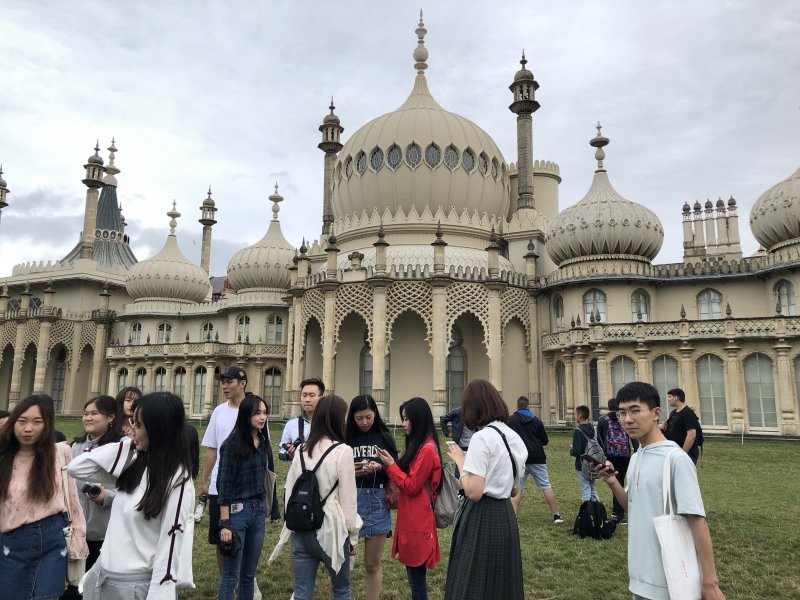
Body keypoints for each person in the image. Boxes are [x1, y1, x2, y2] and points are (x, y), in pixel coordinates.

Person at [597, 381, 725, 600]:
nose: (628, 419)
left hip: (671, 581)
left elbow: (697, 520)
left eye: (635, 410)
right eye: (622, 413)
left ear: (656, 413)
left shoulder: (675, 459)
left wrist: (710, 582)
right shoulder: (637, 457)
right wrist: (612, 482)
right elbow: (634, 507)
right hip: (640, 578)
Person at [68, 392, 195, 599]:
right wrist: (127, 444)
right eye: (131, 422)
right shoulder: (132, 464)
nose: (130, 429)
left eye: (137, 424)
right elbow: (76, 468)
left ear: (157, 429)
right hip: (101, 577)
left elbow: (170, 545)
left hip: (134, 587)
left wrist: (160, 594)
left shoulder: (177, 480)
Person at [268, 395, 361, 600]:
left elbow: (290, 491)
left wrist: (290, 520)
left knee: (301, 591)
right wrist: (353, 536)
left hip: (301, 526)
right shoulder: (343, 451)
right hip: (331, 529)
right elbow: (348, 500)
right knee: (341, 589)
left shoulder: (301, 450)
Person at [0, 394, 89, 600]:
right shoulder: (4, 456)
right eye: (22, 421)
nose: (28, 429)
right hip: (11, 542)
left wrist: (78, 541)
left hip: (52, 539)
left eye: (37, 422)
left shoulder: (60, 452)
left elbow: (72, 499)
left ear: (47, 425)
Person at [444, 379, 527, 600]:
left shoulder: (481, 438)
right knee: (501, 582)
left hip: (481, 514)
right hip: (505, 515)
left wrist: (460, 461)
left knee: (472, 581)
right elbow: (514, 489)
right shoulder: (513, 437)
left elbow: (474, 491)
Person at [376, 398, 441, 600]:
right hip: (412, 519)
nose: (403, 424)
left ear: (418, 420)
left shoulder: (427, 450)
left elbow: (412, 485)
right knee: (415, 581)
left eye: (406, 419)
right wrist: (386, 465)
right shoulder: (420, 445)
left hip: (418, 522)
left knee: (417, 582)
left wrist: (391, 466)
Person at [217, 395, 271, 600]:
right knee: (231, 576)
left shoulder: (263, 443)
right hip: (237, 512)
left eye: (264, 413)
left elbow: (266, 478)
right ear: (246, 415)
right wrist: (225, 524)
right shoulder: (231, 445)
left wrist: (272, 508)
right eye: (257, 413)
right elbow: (224, 485)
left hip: (258, 511)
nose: (262, 417)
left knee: (248, 575)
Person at [345, 394, 398, 600]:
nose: (365, 422)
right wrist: (355, 471)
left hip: (377, 498)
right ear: (352, 418)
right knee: (342, 562)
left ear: (375, 413)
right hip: (351, 498)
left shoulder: (384, 438)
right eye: (359, 418)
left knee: (372, 563)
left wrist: (381, 467)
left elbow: (395, 470)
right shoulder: (346, 438)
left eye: (368, 417)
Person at [199, 365, 250, 569]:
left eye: (229, 382)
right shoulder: (219, 412)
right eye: (223, 383)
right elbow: (213, 448)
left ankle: (246, 578)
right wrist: (204, 480)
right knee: (221, 538)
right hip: (219, 486)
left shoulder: (254, 410)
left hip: (245, 487)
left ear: (242, 383)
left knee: (245, 535)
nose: (225, 386)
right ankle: (225, 581)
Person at [71, 395, 124, 571]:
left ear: (110, 417)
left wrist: (105, 497)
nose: (88, 418)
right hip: (76, 532)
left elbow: (132, 489)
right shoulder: (75, 446)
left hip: (107, 531)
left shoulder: (121, 447)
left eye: (94, 413)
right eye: (85, 413)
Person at [507, 396, 563, 523]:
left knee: (517, 487)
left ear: (517, 406)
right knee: (546, 485)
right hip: (537, 457)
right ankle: (557, 515)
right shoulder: (537, 420)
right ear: (528, 406)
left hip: (519, 459)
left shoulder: (511, 420)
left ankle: (513, 517)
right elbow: (545, 440)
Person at [597, 397, 635, 523]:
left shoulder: (603, 420)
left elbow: (599, 439)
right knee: (621, 482)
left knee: (615, 482)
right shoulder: (623, 419)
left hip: (610, 456)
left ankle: (617, 512)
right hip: (625, 455)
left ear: (608, 407)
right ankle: (619, 512)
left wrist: (603, 456)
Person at [279, 376, 324, 463]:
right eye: (304, 395)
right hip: (298, 471)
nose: (307, 400)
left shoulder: (328, 423)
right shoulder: (292, 424)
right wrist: (289, 455)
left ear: (321, 398)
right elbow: (281, 452)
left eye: (312, 395)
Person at [662, 387, 702, 464]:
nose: (668, 399)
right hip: (675, 451)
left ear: (676, 398)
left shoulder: (688, 413)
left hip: (687, 454)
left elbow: (691, 435)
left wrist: (682, 454)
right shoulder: (674, 412)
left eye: (670, 397)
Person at [570, 404, 600, 502]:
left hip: (582, 464)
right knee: (592, 488)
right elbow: (600, 444)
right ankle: (596, 509)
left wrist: (571, 451)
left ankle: (587, 509)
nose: (575, 417)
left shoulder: (578, 431)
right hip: (593, 462)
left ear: (580, 416)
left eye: (576, 414)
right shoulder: (593, 429)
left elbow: (577, 451)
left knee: (586, 490)